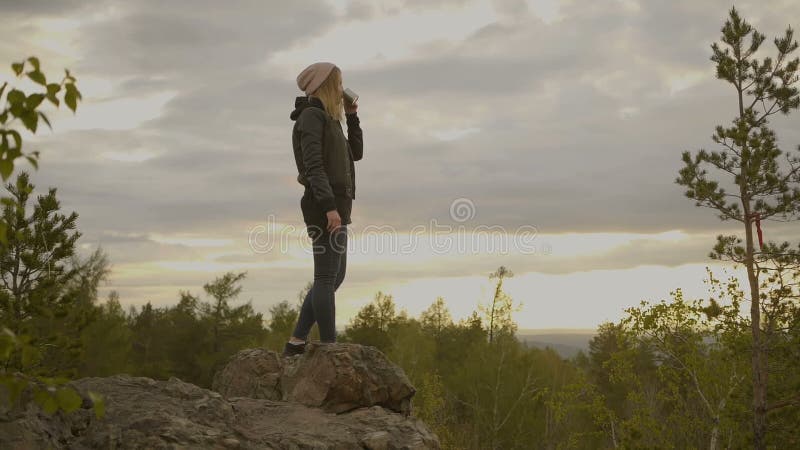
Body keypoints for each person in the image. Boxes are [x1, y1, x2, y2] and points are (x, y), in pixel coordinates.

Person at [283, 62, 363, 357]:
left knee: (334, 276)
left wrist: (352, 118)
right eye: (338, 83)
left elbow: (356, 154)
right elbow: (314, 167)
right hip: (323, 206)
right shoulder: (311, 117)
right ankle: (330, 348)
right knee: (326, 278)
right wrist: (329, 207)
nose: (342, 89)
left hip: (338, 207)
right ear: (325, 86)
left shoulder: (330, 120)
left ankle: (295, 343)